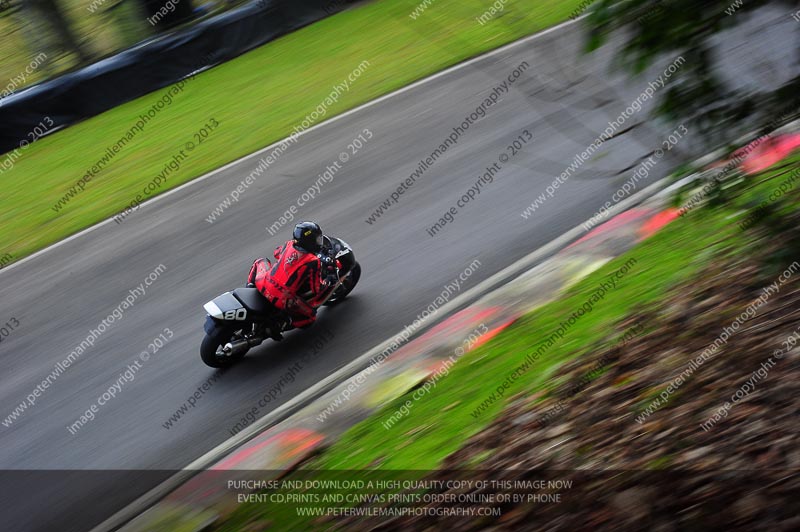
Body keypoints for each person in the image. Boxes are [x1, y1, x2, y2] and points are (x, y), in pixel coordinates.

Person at [247, 221, 339, 339]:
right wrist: (328, 281)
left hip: (263, 282)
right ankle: (281, 324)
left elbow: (276, 253)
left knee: (260, 261)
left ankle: (250, 287)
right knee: (310, 317)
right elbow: (315, 289)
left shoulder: (289, 244)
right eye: (316, 239)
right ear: (309, 241)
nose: (318, 242)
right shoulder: (313, 261)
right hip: (282, 299)